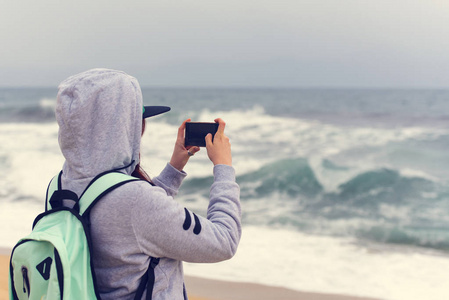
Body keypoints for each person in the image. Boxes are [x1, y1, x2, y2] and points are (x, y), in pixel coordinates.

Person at [55, 68, 241, 299]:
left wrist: (174, 168)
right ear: (123, 128)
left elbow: (127, 222)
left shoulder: (61, 185)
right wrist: (223, 166)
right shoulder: (135, 200)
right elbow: (224, 241)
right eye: (138, 120)